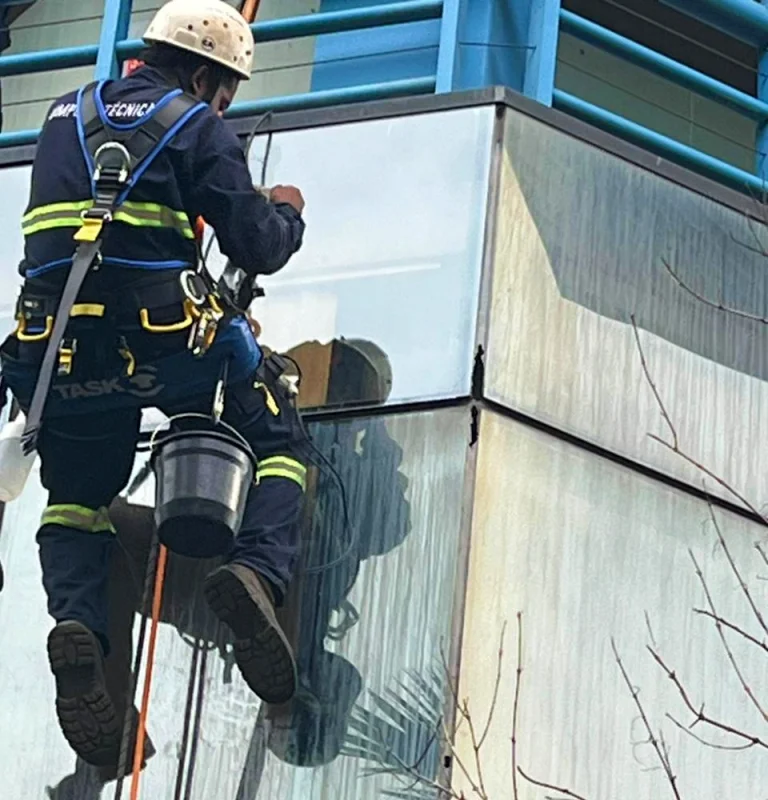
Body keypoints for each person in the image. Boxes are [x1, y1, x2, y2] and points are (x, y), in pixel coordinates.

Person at [0, 0, 308, 771]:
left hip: (58, 349)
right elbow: (257, 246)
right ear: (204, 74)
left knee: (78, 492)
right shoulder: (195, 125)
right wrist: (287, 213)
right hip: (166, 340)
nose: (224, 105)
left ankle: (80, 626)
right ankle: (258, 574)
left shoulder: (60, 113)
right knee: (277, 437)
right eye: (225, 91)